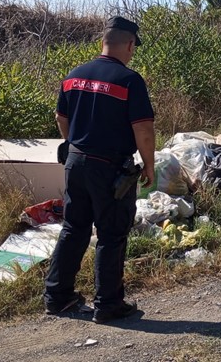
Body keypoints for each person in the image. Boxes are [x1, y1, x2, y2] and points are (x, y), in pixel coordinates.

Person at [44, 16, 156, 324]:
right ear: (130, 44)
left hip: (75, 161)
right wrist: (149, 165)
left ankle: (57, 297)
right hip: (109, 168)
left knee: (73, 228)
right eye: (133, 48)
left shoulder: (74, 75)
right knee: (111, 232)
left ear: (103, 41)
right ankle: (108, 304)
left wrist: (78, 146)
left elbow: (60, 117)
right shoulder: (129, 80)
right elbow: (143, 129)